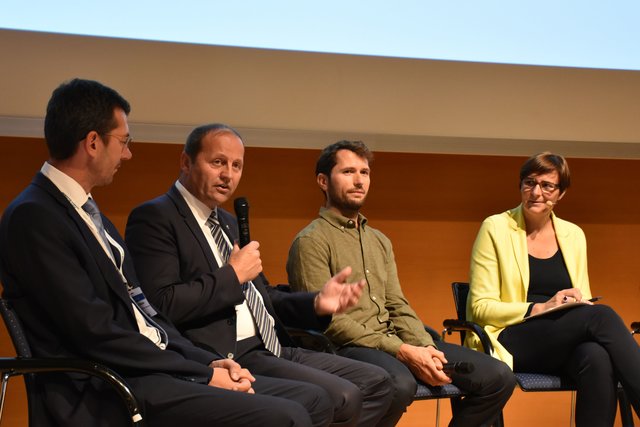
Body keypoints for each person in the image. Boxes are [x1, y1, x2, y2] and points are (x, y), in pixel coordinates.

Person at [0, 78, 351, 427]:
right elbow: (94, 331)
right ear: (93, 142)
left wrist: (206, 364)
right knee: (287, 416)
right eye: (124, 141)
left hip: (150, 369)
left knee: (314, 401)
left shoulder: (89, 213)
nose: (127, 153)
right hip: (106, 386)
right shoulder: (35, 216)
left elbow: (149, 316)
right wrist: (199, 372)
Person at [125, 124, 395, 426]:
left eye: (236, 165)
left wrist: (316, 303)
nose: (228, 175)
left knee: (376, 382)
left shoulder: (226, 222)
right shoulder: (155, 217)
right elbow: (161, 304)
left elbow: (263, 297)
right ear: (186, 162)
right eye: (218, 162)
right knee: (331, 398)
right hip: (219, 356)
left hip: (269, 344)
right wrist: (232, 275)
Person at [286, 140, 516, 427]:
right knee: (399, 384)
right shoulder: (310, 241)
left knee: (498, 377)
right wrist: (401, 351)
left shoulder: (379, 240)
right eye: (348, 172)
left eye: (364, 172)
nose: (359, 181)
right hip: (346, 347)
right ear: (323, 181)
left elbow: (397, 304)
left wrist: (424, 348)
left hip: (395, 340)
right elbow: (329, 324)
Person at [466, 151, 640, 426]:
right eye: (529, 182)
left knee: (596, 356)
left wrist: (573, 304)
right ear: (521, 185)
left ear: (561, 194)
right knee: (602, 316)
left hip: (558, 341)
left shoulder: (574, 235)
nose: (536, 192)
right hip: (510, 338)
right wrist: (540, 307)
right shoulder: (495, 227)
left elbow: (580, 299)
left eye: (547, 185)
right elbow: (479, 308)